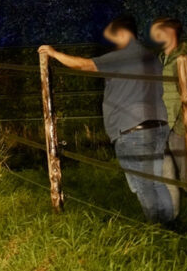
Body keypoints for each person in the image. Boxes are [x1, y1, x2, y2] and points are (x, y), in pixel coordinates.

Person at [39, 14, 174, 223]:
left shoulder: (124, 56)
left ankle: (158, 228)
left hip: (133, 128)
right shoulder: (151, 57)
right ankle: (171, 226)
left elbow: (85, 65)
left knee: (142, 184)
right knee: (156, 181)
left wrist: (54, 54)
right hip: (158, 126)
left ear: (122, 33)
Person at [150, 17, 187, 215]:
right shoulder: (162, 58)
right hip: (163, 122)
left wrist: (184, 125)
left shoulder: (184, 57)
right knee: (166, 171)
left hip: (178, 125)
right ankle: (172, 216)